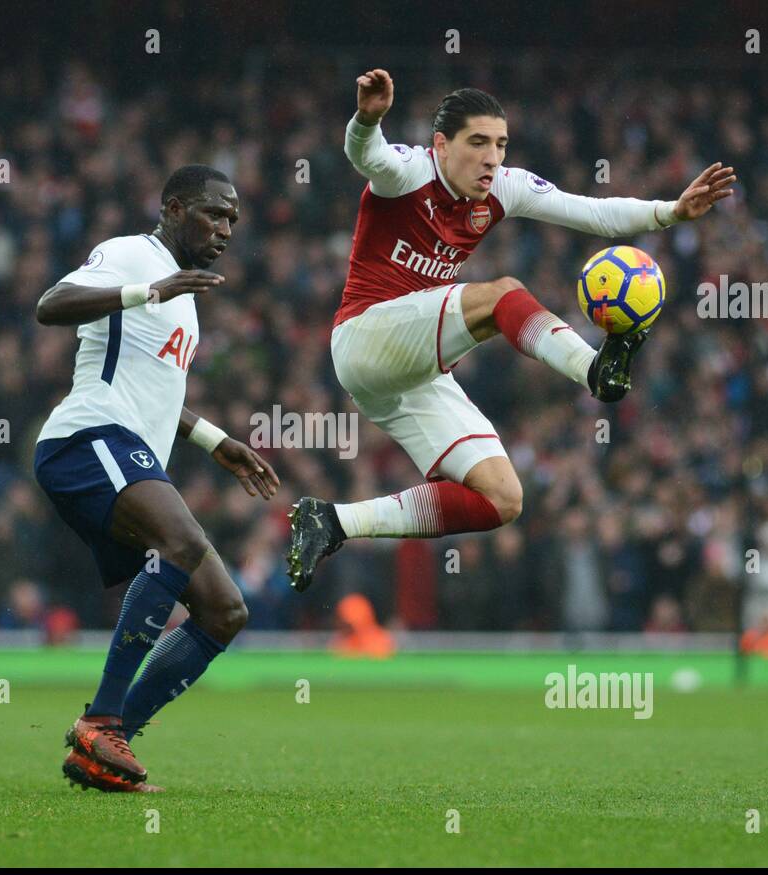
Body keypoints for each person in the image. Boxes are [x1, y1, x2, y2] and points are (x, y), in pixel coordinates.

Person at [287, 69, 734, 591]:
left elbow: (589, 212)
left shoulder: (504, 186)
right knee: (500, 294)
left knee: (501, 498)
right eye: (477, 142)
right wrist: (366, 119)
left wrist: (670, 211)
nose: (492, 156)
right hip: (364, 336)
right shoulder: (409, 172)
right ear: (440, 144)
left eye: (500, 144)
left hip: (408, 371)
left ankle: (334, 521)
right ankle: (594, 370)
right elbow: (368, 156)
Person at [34, 164, 280, 792]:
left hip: (127, 448)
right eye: (213, 213)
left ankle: (102, 742)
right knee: (185, 543)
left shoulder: (183, 301)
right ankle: (103, 724)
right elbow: (50, 306)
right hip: (86, 438)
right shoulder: (129, 256)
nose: (225, 228)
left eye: (232, 220)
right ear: (173, 207)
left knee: (225, 610)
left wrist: (213, 438)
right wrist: (147, 292)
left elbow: (159, 394)